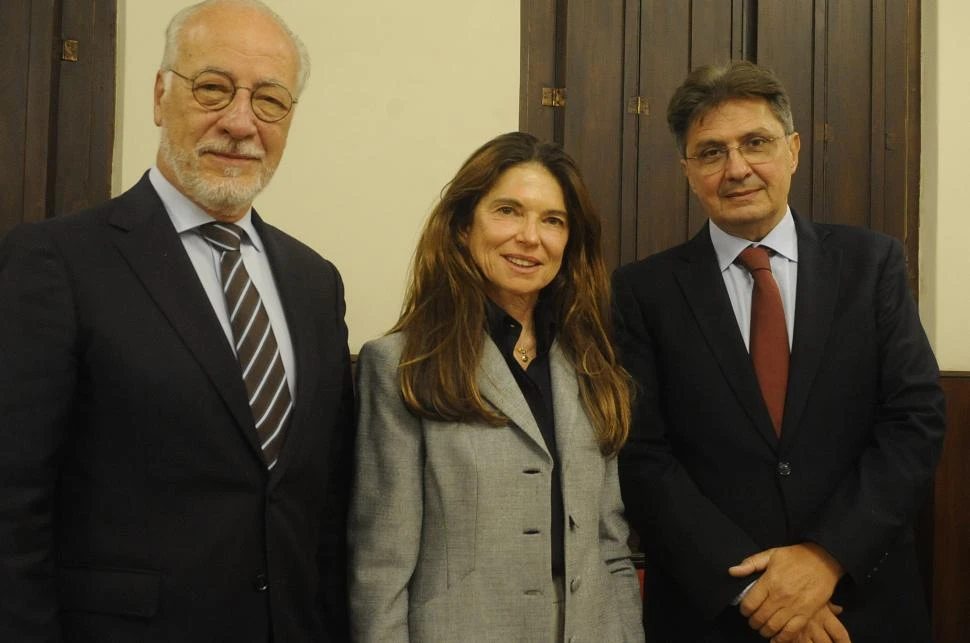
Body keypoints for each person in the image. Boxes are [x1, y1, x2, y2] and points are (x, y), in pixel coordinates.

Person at [0, 1, 354, 640]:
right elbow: (13, 507)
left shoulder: (315, 283)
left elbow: (322, 506)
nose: (241, 123)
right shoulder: (56, 261)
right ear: (161, 96)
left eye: (270, 101)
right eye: (214, 88)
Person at [612, 60, 946, 643]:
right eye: (711, 152)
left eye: (755, 143)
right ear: (687, 171)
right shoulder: (640, 293)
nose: (737, 168)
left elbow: (913, 422)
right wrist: (757, 592)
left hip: (859, 605)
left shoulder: (872, 265)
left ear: (792, 150)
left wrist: (825, 557)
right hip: (714, 610)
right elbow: (642, 458)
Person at [348, 132, 645, 642]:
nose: (530, 237)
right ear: (464, 226)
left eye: (552, 220)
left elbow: (609, 546)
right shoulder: (401, 364)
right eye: (508, 211)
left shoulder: (594, 363)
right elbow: (382, 564)